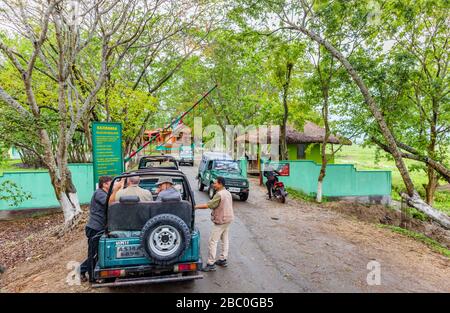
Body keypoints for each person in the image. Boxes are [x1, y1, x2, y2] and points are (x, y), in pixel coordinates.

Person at [80, 176, 122, 282]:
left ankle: (81, 269)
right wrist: (117, 189)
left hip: (100, 227)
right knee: (93, 254)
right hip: (94, 228)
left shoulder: (104, 193)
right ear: (104, 184)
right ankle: (92, 277)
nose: (112, 185)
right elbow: (110, 203)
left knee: (98, 253)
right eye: (110, 183)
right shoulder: (99, 193)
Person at [195, 176, 233, 272]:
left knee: (213, 241)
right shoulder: (228, 192)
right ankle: (223, 259)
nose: (213, 184)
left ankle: (211, 263)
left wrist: (195, 207)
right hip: (228, 219)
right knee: (225, 239)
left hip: (221, 221)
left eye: (215, 183)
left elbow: (209, 205)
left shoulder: (219, 194)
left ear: (220, 184)